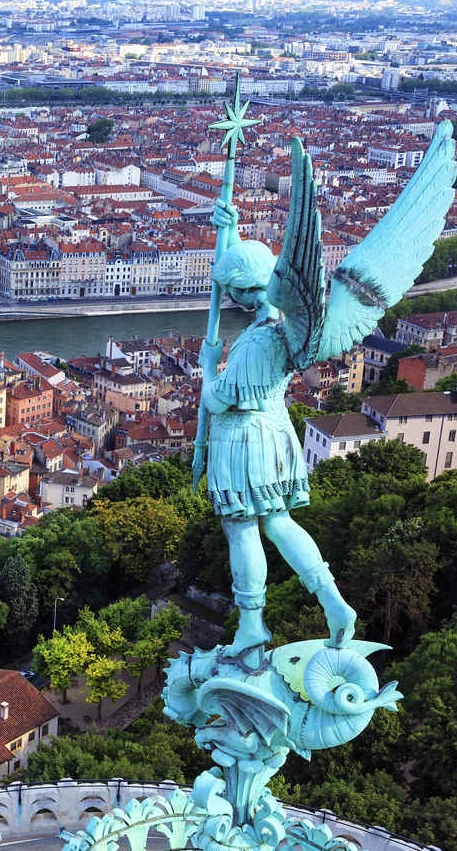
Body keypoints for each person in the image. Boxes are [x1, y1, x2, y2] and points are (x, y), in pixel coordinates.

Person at [199, 199, 355, 661]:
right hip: (277, 432)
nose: (230, 301)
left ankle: (251, 625)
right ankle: (333, 601)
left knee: (242, 527)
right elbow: (241, 273)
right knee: (279, 521)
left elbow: (217, 399)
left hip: (242, 439)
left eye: (233, 294)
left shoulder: (255, 345)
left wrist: (208, 367)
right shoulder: (284, 325)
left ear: (245, 293)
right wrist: (229, 234)